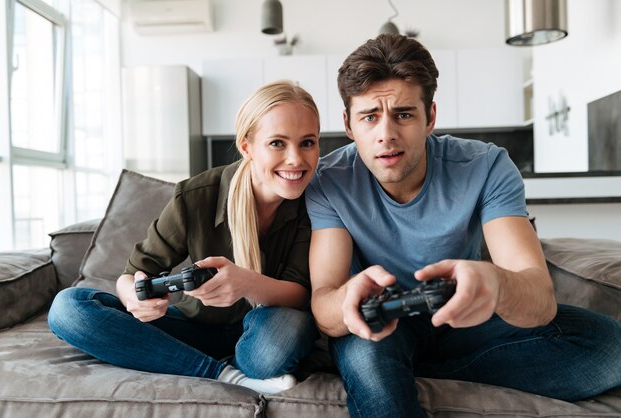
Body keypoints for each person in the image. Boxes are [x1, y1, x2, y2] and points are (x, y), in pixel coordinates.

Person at [305, 34, 621, 417]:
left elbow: (539, 299)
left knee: (610, 349)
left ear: (430, 118)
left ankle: (418, 376)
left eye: (404, 114)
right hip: (382, 322)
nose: (386, 133)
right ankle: (395, 375)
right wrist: (347, 298)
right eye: (369, 116)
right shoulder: (328, 180)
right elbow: (324, 303)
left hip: (467, 317)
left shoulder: (486, 166)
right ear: (349, 125)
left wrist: (495, 282)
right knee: (370, 363)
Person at [48, 79, 321, 394]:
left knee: (289, 331)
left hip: (266, 331)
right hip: (195, 327)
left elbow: (302, 294)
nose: (296, 160)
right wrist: (135, 300)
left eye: (307, 142)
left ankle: (192, 362)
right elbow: (130, 277)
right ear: (247, 147)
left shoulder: (317, 202)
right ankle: (225, 375)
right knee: (69, 309)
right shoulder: (196, 196)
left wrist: (246, 283)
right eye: (277, 143)